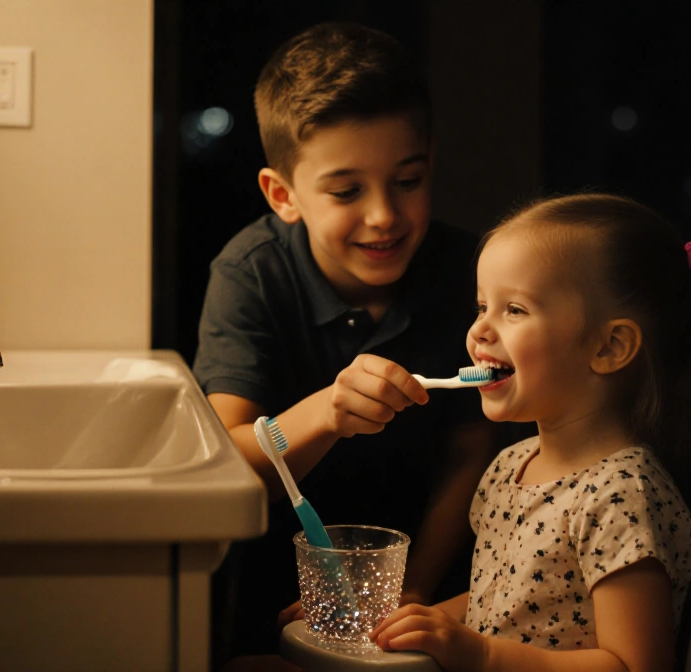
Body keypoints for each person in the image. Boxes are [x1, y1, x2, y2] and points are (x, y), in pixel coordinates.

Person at [370, 193, 691, 672]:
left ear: (610, 347)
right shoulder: (508, 468)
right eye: (481, 306)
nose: (479, 331)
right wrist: (403, 623)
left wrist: (482, 655)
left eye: (514, 309)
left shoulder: (622, 496)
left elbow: (635, 665)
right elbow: (502, 602)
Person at [192, 22, 496, 662]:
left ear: (431, 162)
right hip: (273, 596)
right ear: (284, 195)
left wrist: (409, 590)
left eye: (407, 181)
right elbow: (229, 469)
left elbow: (469, 457)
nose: (383, 214)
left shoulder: (471, 274)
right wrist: (326, 414)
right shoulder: (252, 275)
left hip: (430, 591)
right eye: (346, 190)